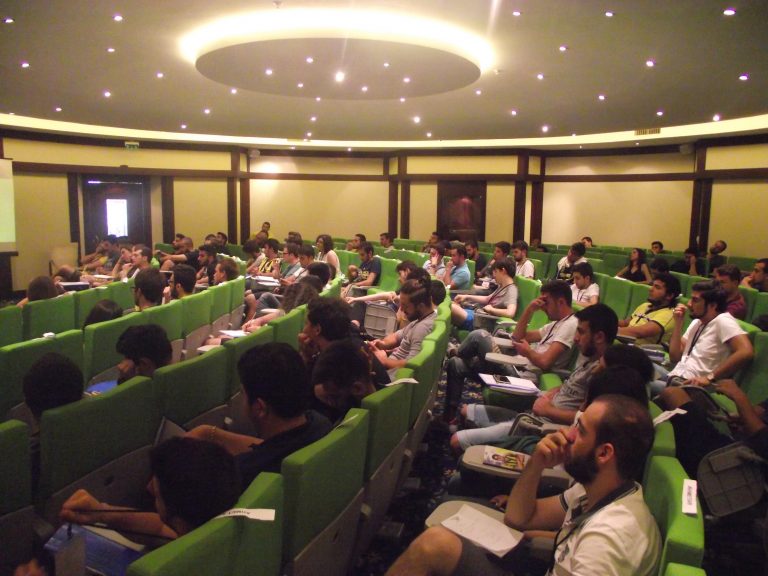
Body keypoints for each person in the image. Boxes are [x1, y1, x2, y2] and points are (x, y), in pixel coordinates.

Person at [386, 395, 659, 576]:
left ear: (604, 453)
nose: (568, 434)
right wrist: (537, 463)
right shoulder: (594, 490)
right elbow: (519, 518)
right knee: (440, 540)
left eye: (581, 430)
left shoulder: (610, 537)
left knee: (434, 545)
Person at [451, 304, 618, 452]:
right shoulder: (587, 360)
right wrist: (552, 392)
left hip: (539, 426)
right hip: (532, 414)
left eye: (581, 332)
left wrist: (547, 410)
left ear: (599, 337)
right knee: (465, 411)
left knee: (456, 441)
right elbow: (568, 385)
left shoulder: (602, 374)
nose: (576, 338)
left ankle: (473, 459)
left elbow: (584, 419)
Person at [188, 343, 333, 486]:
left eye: (243, 393)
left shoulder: (243, 474)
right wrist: (209, 433)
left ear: (259, 408)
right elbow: (274, 447)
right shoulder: (320, 424)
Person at [443, 281, 577, 422]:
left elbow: (545, 362)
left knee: (480, 335)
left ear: (561, 302)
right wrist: (529, 310)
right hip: (515, 366)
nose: (543, 308)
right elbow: (517, 337)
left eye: (546, 302)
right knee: (456, 364)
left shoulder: (570, 325)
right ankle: (448, 419)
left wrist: (528, 352)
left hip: (522, 378)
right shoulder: (556, 323)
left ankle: (457, 351)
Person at [60, 437, 240, 540]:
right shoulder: (211, 529)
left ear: (176, 515)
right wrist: (102, 512)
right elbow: (160, 529)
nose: (150, 488)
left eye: (157, 487)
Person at [657, 378, 768, 479]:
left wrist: (738, 397)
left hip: (752, 468)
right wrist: (741, 419)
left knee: (672, 394)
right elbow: (759, 412)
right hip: (739, 445)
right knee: (676, 395)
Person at [656, 280, 753, 392]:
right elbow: (675, 357)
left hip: (690, 386)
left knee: (641, 383)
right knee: (639, 362)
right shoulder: (697, 321)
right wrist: (678, 323)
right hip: (675, 376)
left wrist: (709, 377)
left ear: (713, 305)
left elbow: (746, 351)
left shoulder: (723, 321)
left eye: (695, 300)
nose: (689, 304)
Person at [369, 278, 437, 379]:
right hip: (389, 366)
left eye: (405, 306)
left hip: (390, 379)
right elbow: (396, 336)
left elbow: (411, 365)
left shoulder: (423, 328)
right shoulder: (422, 319)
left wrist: (383, 361)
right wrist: (382, 344)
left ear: (421, 306)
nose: (401, 309)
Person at [311, 338, 381, 424]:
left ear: (357, 388)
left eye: (332, 398)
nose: (330, 403)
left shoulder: (354, 424)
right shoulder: (385, 400)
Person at [450, 258, 517, 330]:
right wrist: (466, 297)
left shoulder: (512, 290)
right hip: (478, 315)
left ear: (503, 271)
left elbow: (510, 312)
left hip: (483, 322)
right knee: (450, 304)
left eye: (496, 271)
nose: (494, 275)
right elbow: (487, 299)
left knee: (452, 308)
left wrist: (492, 310)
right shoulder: (502, 286)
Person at [617, 272, 681, 347]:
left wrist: (612, 330)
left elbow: (640, 332)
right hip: (624, 342)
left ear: (669, 296)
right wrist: (609, 323)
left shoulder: (669, 314)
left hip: (640, 350)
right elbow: (626, 323)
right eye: (652, 285)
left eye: (657, 287)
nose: (651, 289)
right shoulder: (645, 305)